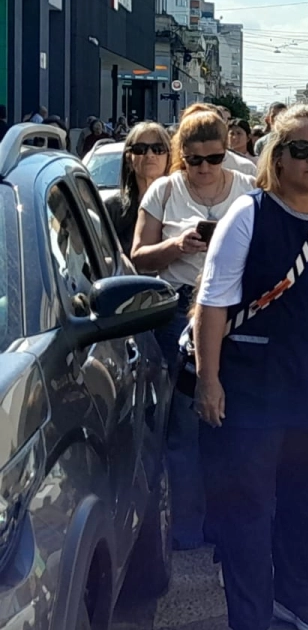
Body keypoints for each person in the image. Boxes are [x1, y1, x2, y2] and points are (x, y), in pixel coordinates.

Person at [192, 105, 308, 630]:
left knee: (301, 505)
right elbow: (213, 303)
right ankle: (250, 615)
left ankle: (297, 596)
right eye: (301, 149)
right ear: (278, 154)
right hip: (250, 386)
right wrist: (209, 381)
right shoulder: (249, 213)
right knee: (248, 509)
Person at [131, 108, 257, 551]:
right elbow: (139, 256)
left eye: (215, 158)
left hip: (237, 308)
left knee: (234, 422)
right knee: (183, 424)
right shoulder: (165, 191)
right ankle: (187, 524)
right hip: (177, 305)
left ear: (228, 152)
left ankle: (226, 523)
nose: (205, 168)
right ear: (181, 156)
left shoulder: (247, 188)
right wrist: (177, 245)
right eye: (195, 160)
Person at [103, 122, 171, 255]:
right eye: (140, 149)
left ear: (169, 157)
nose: (150, 155)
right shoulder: (112, 208)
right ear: (129, 158)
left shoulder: (182, 204)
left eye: (158, 148)